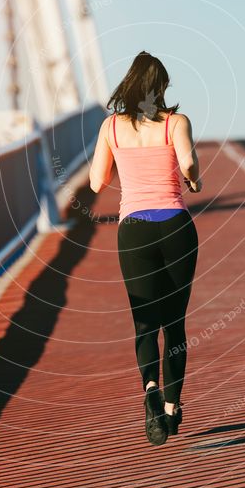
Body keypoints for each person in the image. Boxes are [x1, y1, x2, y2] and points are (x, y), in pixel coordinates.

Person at [89, 51, 201, 446]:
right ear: (162, 87)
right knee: (175, 322)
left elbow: (95, 182)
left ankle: (150, 391)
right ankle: (172, 409)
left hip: (133, 229)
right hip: (175, 226)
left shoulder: (111, 128)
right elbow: (188, 163)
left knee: (144, 322)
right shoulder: (176, 123)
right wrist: (194, 180)